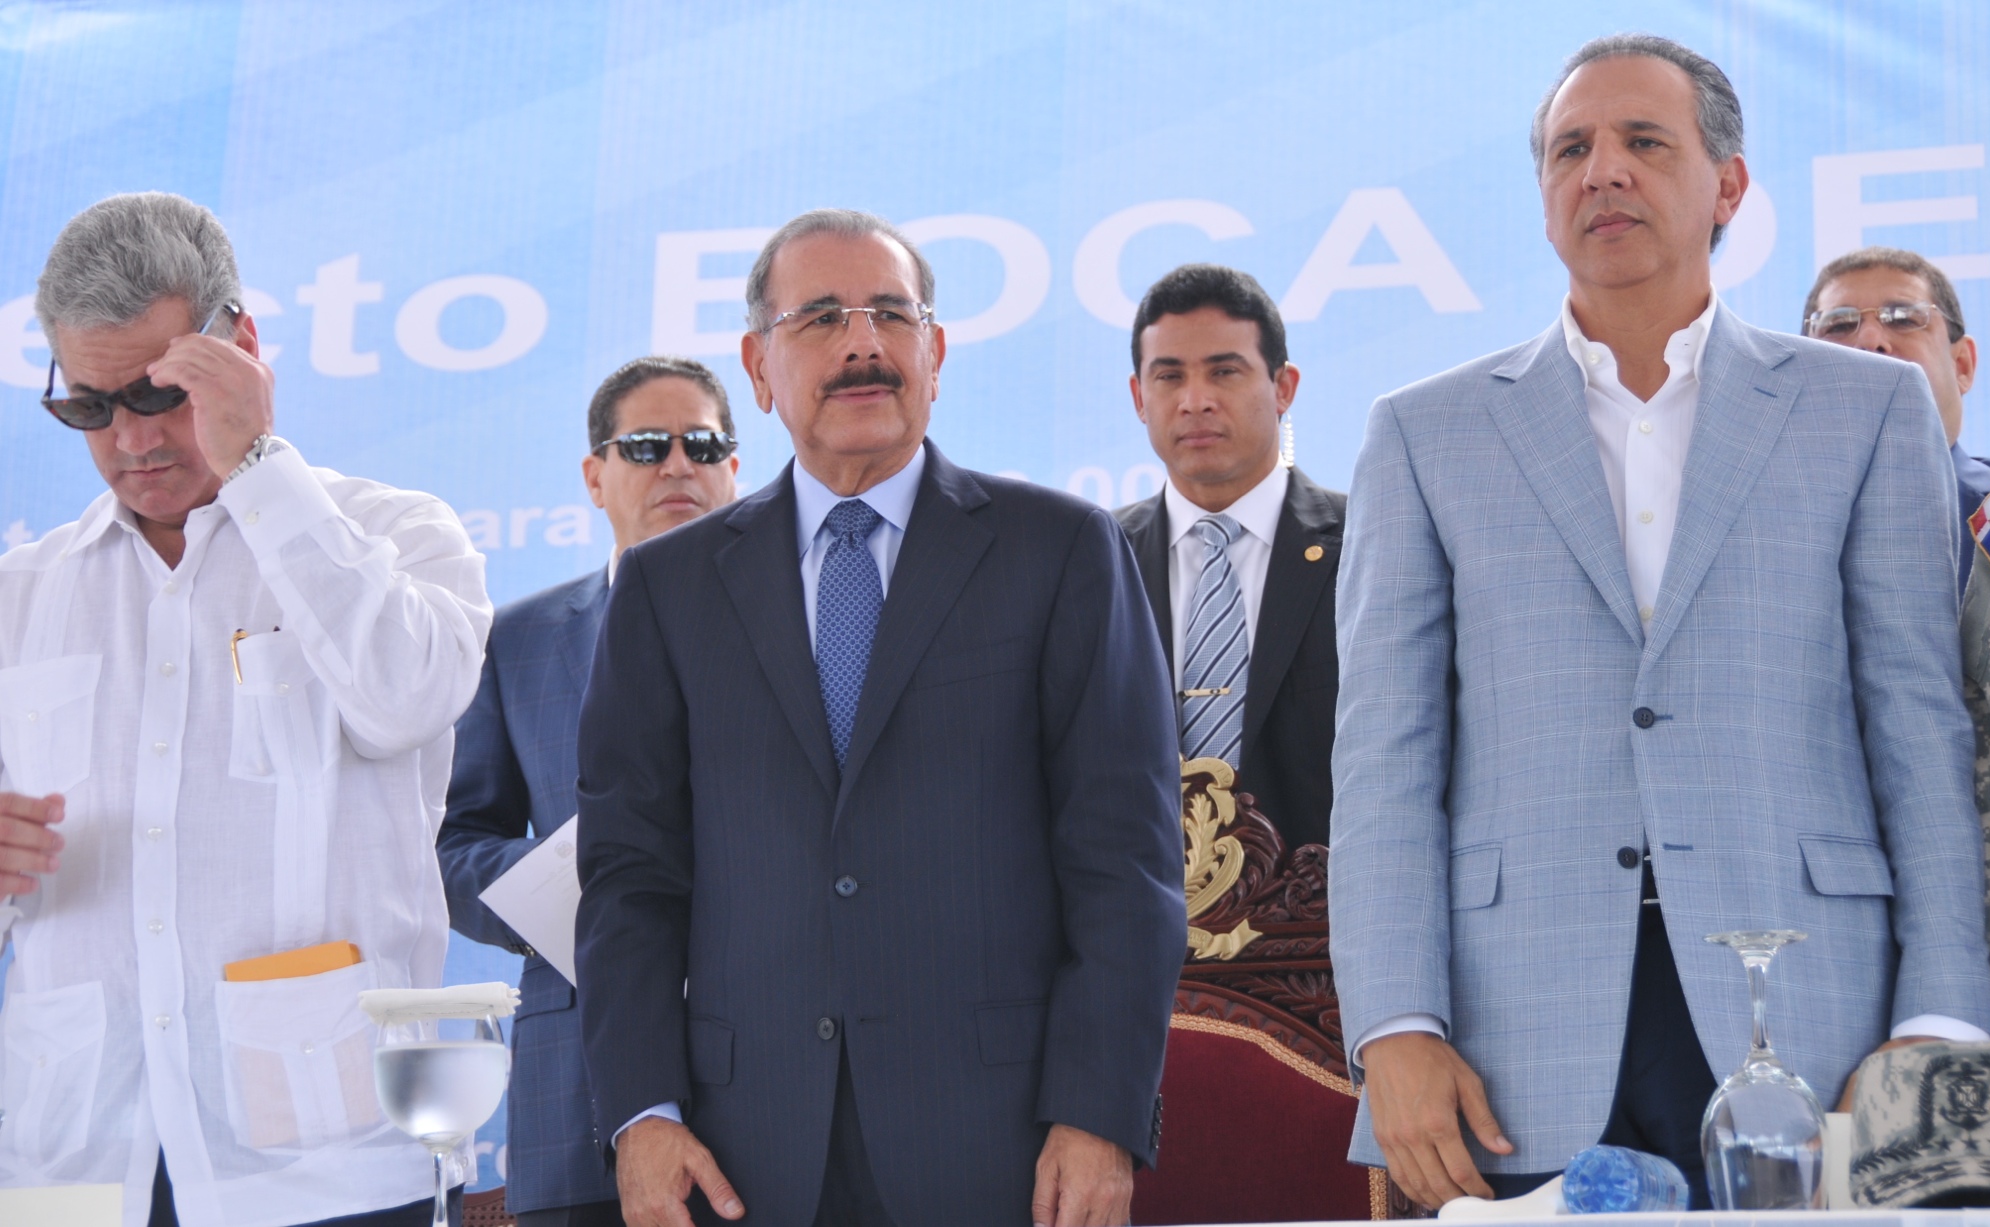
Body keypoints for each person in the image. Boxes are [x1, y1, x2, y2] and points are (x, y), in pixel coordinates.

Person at [1330, 35, 1990, 1210]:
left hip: (1820, 1020)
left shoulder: (1866, 410)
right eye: (1570, 150)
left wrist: (1938, 1016)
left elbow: (1914, 726)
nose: (1603, 171)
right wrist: (1394, 1024)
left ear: (1727, 186)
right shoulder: (1423, 432)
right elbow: (1384, 759)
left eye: (1643, 141)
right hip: (1510, 1036)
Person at [573, 208, 1187, 1227]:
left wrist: (1098, 1114)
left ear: (935, 355)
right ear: (758, 368)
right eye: (820, 317)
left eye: (892, 315)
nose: (863, 343)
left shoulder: (1060, 551)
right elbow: (630, 879)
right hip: (739, 1155)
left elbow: (1125, 865)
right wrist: (641, 1113)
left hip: (1006, 1147)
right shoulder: (666, 589)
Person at [0, 192, 491, 1225]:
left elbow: (404, 699)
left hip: (328, 1163)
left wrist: (258, 465)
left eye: (160, 391)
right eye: (91, 408)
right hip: (73, 1168)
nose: (131, 438)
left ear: (243, 349)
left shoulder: (399, 533)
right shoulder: (22, 595)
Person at [437, 356, 740, 1227]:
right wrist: (589, 885)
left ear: (734, 468)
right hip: (577, 1091)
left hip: (782, 1072)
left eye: (703, 445)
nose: (678, 464)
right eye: (646, 446)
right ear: (594, 476)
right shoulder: (517, 641)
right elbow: (453, 844)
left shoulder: (804, 620)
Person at [1114, 264, 1345, 849]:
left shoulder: (1370, 541)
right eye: (1169, 376)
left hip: (1330, 898)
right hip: (1144, 900)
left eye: (1224, 371)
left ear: (1283, 387)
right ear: (1139, 397)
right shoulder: (1094, 559)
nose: (1195, 401)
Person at [1802, 247, 1990, 592]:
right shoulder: (1759, 523)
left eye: (1903, 319)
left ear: (1962, 366)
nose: (1869, 341)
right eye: (1839, 324)